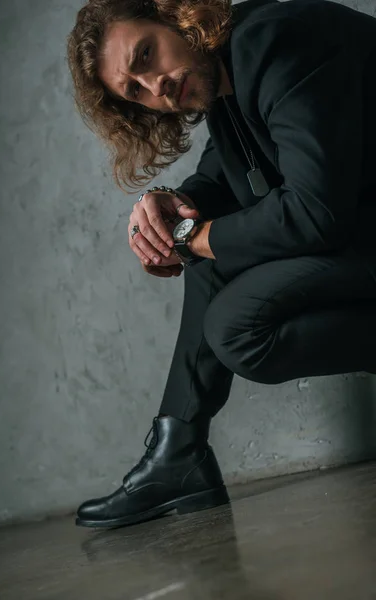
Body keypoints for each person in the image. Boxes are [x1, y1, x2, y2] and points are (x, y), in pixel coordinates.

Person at [67, 0, 376, 529]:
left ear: (174, 14)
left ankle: (177, 457)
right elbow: (226, 174)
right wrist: (172, 210)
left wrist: (194, 237)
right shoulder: (224, 74)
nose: (156, 87)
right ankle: (178, 452)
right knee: (209, 256)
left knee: (237, 325)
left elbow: (315, 212)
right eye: (135, 91)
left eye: (147, 54)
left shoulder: (272, 42)